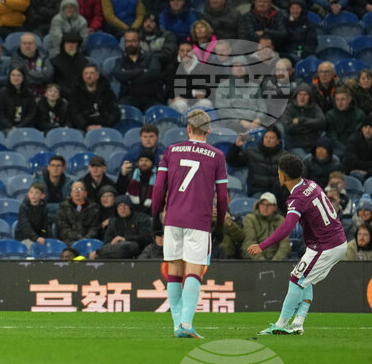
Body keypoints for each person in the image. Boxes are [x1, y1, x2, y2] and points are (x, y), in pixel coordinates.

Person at [151, 108, 230, 338]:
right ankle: (186, 324)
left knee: (174, 273)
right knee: (194, 272)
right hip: (199, 220)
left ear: (188, 128)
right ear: (209, 129)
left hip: (173, 220)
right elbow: (223, 196)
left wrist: (155, 217)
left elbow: (158, 190)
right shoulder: (216, 155)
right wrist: (220, 224)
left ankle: (177, 326)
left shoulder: (171, 150)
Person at [250, 154, 347, 335]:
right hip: (332, 241)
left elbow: (287, 226)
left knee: (297, 279)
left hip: (326, 245)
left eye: (279, 173)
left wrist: (262, 245)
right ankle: (297, 324)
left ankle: (281, 324)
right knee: (302, 279)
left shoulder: (297, 197)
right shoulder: (310, 184)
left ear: (284, 176)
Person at [229, 127, 287, 205]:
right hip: (258, 192)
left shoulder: (285, 156)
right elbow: (232, 161)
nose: (268, 140)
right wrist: (236, 146)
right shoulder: (252, 152)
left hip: (278, 194)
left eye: (272, 138)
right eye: (266, 137)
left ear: (278, 141)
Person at [91, 195, 152, 260]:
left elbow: (146, 237)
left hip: (140, 252)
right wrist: (97, 251)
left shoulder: (142, 218)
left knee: (129, 245)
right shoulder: (114, 223)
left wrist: (125, 239)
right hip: (117, 254)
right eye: (119, 206)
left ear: (130, 207)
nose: (122, 208)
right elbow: (107, 241)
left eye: (125, 205)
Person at [116, 30, 162, 111]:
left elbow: (154, 73)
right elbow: (119, 75)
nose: (130, 44)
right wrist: (141, 70)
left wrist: (129, 79)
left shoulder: (150, 56)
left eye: (133, 41)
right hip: (128, 99)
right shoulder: (120, 61)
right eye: (127, 41)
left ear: (139, 42)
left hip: (151, 98)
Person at [242, 192, 291, 261]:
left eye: (269, 205)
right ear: (258, 205)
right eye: (262, 204)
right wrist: (262, 261)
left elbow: (284, 244)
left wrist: (274, 262)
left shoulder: (281, 220)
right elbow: (249, 242)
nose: (265, 208)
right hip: (254, 261)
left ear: (275, 207)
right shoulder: (250, 219)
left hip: (275, 260)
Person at [14, 181, 49, 246]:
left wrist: (43, 237)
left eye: (36, 193)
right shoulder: (23, 207)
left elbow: (44, 227)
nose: (33, 195)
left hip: (38, 238)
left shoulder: (44, 208)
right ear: (28, 194)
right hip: (24, 237)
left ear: (42, 196)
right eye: (31, 192)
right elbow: (25, 226)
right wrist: (36, 238)